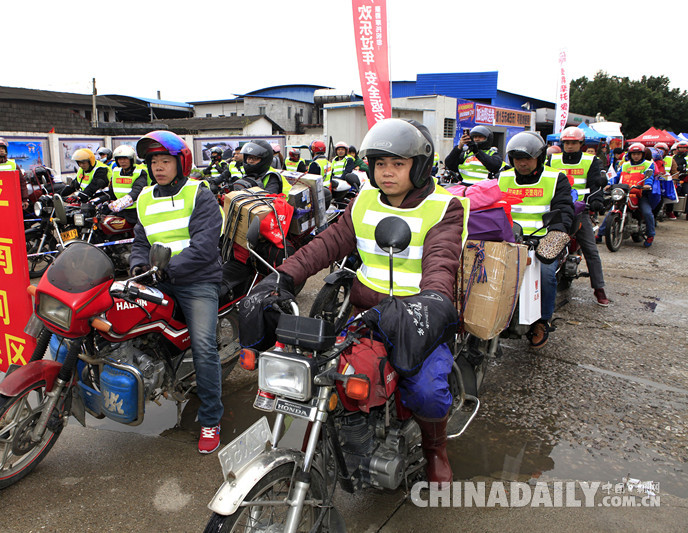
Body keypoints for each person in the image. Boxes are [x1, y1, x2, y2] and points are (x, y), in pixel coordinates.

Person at [240, 118, 468, 486]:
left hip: (420, 320)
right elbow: (327, 244)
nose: (387, 172)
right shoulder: (364, 200)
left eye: (398, 164)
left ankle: (434, 448)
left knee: (426, 391)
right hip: (365, 316)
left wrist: (432, 299)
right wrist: (282, 277)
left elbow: (442, 264)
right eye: (381, 164)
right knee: (322, 372)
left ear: (420, 166)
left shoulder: (444, 207)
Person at [128, 130, 225, 454]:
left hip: (197, 281)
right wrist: (136, 266)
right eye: (154, 161)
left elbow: (203, 247)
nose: (158, 166)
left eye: (165, 160)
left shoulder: (198, 193)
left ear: (180, 163)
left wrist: (167, 270)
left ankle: (211, 419)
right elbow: (140, 241)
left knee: (203, 345)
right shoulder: (144, 197)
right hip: (159, 277)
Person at [497, 131, 574, 348]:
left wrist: (555, 234)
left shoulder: (555, 178)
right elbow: (489, 206)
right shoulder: (502, 177)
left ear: (539, 158)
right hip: (507, 239)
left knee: (545, 274)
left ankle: (542, 321)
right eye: (517, 159)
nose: (521, 163)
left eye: (526, 159)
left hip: (540, 241)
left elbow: (564, 210)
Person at [547, 127, 609, 306]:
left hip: (579, 210)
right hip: (557, 211)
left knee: (591, 249)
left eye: (573, 142)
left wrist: (596, 201)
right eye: (566, 142)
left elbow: (595, 185)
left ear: (581, 144)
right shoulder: (553, 159)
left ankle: (599, 289)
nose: (570, 146)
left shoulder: (591, 160)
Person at [613, 143, 656, 246]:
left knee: (647, 213)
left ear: (642, 154)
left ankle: (650, 235)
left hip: (640, 194)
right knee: (613, 209)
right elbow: (616, 177)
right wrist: (609, 184)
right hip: (625, 193)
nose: (636, 156)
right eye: (633, 154)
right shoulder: (625, 165)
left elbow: (649, 177)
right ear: (630, 155)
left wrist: (647, 185)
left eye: (638, 154)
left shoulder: (648, 164)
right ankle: (600, 234)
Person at [103, 145, 148, 224]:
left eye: (125, 158)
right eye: (120, 159)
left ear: (131, 159)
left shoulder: (140, 172)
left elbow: (137, 190)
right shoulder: (116, 171)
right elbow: (111, 191)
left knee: (139, 232)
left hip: (136, 211)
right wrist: (98, 200)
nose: (122, 161)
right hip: (120, 211)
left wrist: (121, 203)